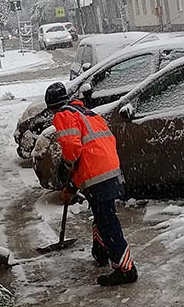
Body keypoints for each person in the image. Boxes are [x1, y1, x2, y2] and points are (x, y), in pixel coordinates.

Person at [45, 82, 138, 286]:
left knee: (107, 221)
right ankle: (101, 251)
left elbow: (71, 147)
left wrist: (69, 165)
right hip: (109, 168)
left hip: (96, 173)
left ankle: (126, 269)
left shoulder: (63, 115)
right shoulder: (86, 112)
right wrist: (71, 186)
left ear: (51, 107)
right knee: (103, 214)